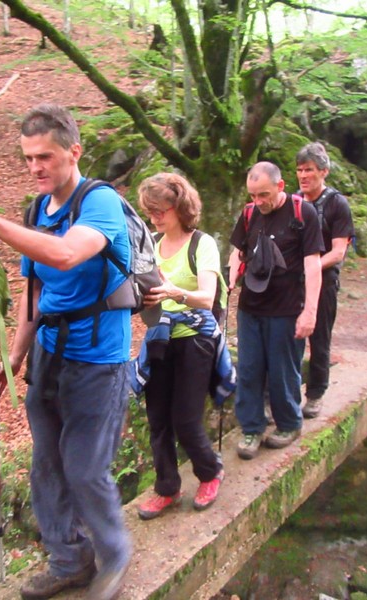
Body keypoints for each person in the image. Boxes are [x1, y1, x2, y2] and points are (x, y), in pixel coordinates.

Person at [0, 104, 132, 600]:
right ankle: (68, 559)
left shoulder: (99, 202)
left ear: (74, 152)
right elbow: (34, 293)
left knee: (85, 466)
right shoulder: (35, 212)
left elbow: (65, 254)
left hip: (98, 358)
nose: (36, 167)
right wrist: (13, 359)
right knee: (46, 463)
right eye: (28, 158)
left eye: (45, 156)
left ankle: (113, 554)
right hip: (48, 354)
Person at [133, 173, 225, 520]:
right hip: (159, 339)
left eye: (160, 210)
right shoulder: (151, 246)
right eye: (150, 211)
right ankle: (167, 488)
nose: (155, 218)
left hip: (195, 340)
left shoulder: (202, 244)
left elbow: (207, 298)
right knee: (157, 419)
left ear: (179, 207)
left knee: (185, 419)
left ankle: (210, 471)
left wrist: (174, 292)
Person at [228, 161, 323, 460]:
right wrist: (229, 280)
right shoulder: (248, 214)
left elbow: (313, 264)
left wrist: (310, 312)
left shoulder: (302, 213)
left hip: (286, 308)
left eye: (264, 195)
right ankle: (252, 427)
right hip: (251, 307)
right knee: (248, 369)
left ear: (280, 187)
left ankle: (289, 424)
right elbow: (237, 252)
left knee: (283, 370)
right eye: (254, 195)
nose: (259, 202)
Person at [295, 143, 355, 418]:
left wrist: (310, 266)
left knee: (320, 339)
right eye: (299, 170)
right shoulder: (293, 202)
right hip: (291, 284)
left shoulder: (337, 204)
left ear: (323, 172)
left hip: (325, 282)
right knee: (289, 338)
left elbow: (338, 251)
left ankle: (316, 394)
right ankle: (286, 392)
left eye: (309, 170)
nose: (303, 176)